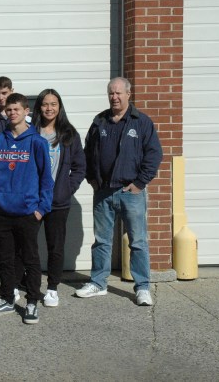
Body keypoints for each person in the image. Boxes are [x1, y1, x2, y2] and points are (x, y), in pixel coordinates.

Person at [76, 77, 163, 306]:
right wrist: (92, 179)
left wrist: (140, 183)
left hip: (130, 192)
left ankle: (142, 287)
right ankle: (98, 283)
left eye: (118, 93)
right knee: (102, 241)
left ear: (128, 94)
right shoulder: (100, 121)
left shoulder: (141, 122)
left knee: (138, 242)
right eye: (111, 93)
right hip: (103, 192)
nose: (114, 97)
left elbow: (154, 155)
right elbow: (87, 152)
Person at [0, 93, 53, 324]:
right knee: (5, 258)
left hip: (27, 212)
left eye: (17, 109)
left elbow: (46, 178)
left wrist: (41, 208)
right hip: (2, 211)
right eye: (9, 110)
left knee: (31, 259)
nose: (12, 113)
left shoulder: (37, 142)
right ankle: (7, 298)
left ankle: (32, 302)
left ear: (27, 111)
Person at [31, 89, 86, 307]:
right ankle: (27, 284)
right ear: (39, 107)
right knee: (28, 245)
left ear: (59, 107)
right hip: (33, 200)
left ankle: (52, 288)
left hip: (58, 202)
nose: (49, 108)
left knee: (56, 246)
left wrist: (66, 189)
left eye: (54, 104)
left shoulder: (68, 134)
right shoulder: (31, 131)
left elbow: (80, 167)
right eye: (45, 104)